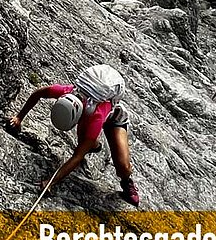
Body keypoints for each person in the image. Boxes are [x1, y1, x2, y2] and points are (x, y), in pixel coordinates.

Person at [8, 65, 140, 207]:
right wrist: (19, 117)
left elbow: (77, 156)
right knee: (85, 142)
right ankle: (93, 144)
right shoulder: (67, 92)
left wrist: (51, 182)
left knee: (123, 167)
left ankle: (127, 181)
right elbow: (38, 93)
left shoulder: (94, 118)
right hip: (89, 117)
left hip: (114, 120)